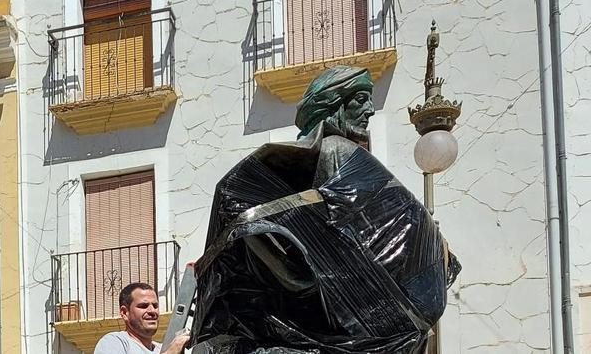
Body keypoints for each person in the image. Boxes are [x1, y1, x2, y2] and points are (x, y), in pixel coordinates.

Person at [189, 66, 459, 353]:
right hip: (367, 304)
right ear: (332, 105)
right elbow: (340, 223)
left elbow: (361, 222)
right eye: (359, 100)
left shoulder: (340, 153)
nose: (369, 110)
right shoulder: (338, 150)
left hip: (367, 304)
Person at [94, 283, 191, 354]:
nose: (152, 311)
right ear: (124, 313)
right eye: (143, 306)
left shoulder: (162, 348)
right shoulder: (114, 342)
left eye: (155, 305)